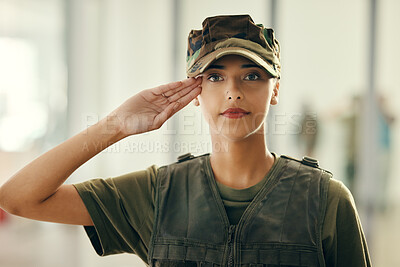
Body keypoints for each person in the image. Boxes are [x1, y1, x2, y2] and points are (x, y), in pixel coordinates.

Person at [0, 14, 371, 267]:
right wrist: (116, 124)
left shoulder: (325, 201)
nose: (233, 92)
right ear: (195, 92)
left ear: (275, 90)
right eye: (214, 77)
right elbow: (18, 198)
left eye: (253, 75)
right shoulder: (158, 194)